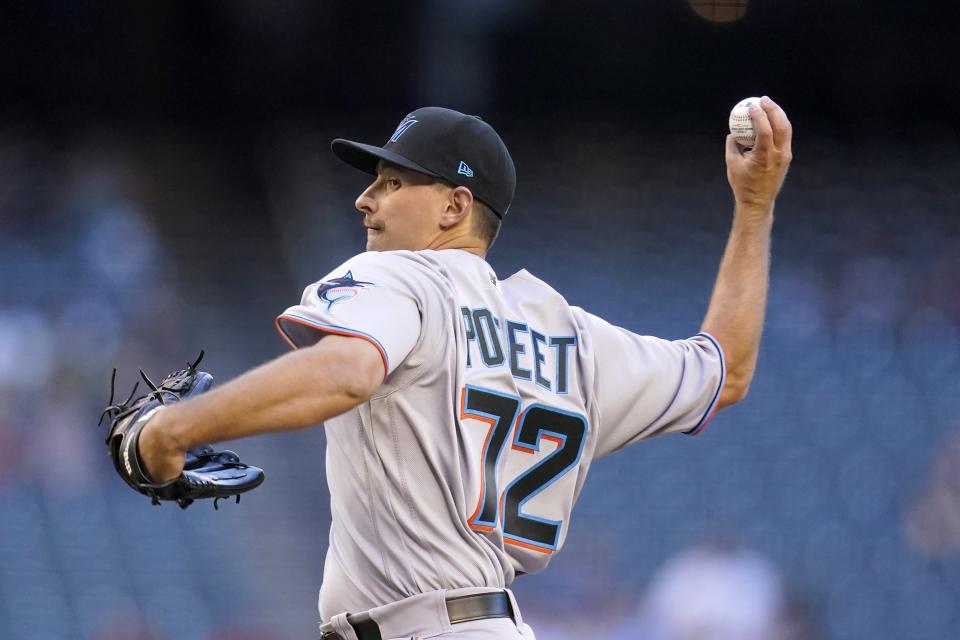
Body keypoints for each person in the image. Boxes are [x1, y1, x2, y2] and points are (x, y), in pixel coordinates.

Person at [136, 101, 792, 639]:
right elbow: (725, 369)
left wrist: (171, 430)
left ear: (453, 207)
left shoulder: (401, 277)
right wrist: (755, 207)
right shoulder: (572, 339)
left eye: (392, 182)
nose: (366, 199)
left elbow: (347, 372)